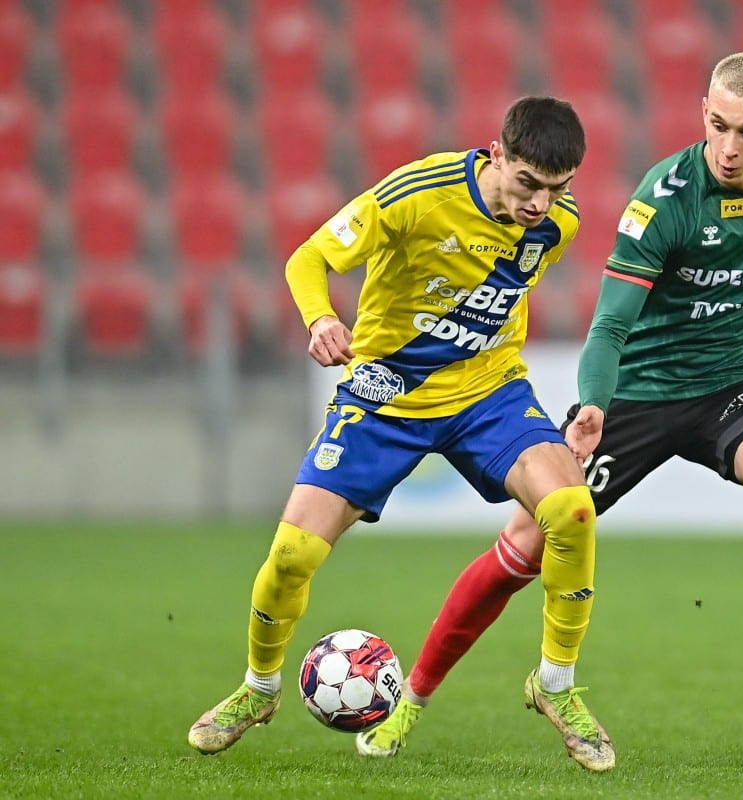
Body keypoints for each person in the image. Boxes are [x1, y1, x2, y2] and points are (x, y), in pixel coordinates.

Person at [362, 51, 743, 757]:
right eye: (718, 126)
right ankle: (411, 701)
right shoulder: (665, 198)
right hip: (636, 396)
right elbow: (608, 327)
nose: (728, 148)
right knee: (523, 553)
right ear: (703, 114)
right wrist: (593, 404)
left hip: (733, 389)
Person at [186, 96, 615, 773]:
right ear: (495, 154)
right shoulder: (417, 194)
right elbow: (308, 258)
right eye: (527, 183)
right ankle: (258, 689)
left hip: (488, 393)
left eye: (556, 189)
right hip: (385, 397)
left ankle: (555, 687)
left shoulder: (557, 225)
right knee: (292, 556)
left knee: (572, 511)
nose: (540, 204)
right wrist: (320, 320)